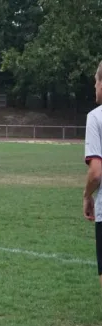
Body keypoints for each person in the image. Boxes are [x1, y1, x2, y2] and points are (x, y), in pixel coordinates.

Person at [83, 60, 102, 288]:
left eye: (96, 81)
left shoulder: (96, 117)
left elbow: (96, 172)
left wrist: (87, 196)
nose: (94, 87)